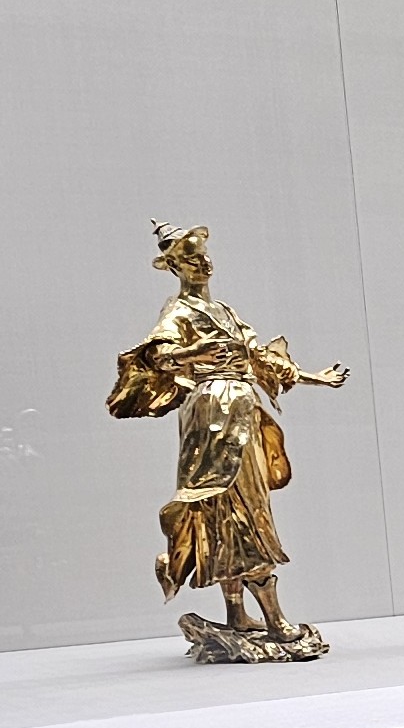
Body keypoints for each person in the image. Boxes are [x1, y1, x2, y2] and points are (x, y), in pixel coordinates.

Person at [107, 221, 347, 663]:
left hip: (240, 409)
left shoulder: (225, 312)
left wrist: (317, 378)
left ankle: (237, 615)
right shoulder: (178, 311)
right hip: (212, 415)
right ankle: (274, 620)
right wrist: (193, 355)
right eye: (191, 258)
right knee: (236, 508)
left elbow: (261, 359)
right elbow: (158, 355)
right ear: (174, 267)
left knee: (240, 508)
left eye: (204, 255)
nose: (203, 263)